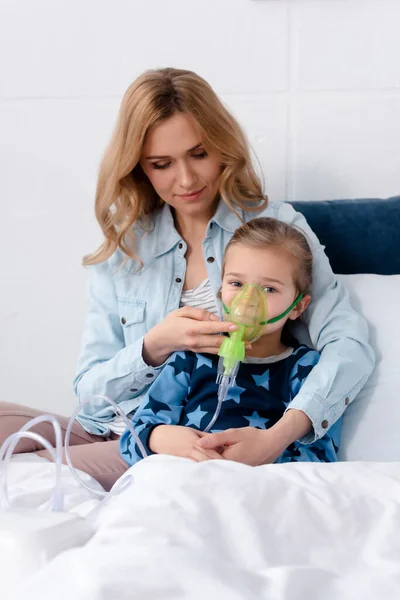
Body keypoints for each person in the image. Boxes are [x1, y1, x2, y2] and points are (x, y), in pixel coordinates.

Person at [0, 68, 374, 491]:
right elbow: (89, 394)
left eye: (199, 154)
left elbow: (349, 345)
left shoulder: (276, 230)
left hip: (169, 444)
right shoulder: (125, 248)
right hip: (119, 425)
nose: (186, 179)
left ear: (222, 147)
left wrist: (278, 436)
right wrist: (154, 346)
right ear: (139, 167)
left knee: (25, 476)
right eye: (161, 164)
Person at [120, 217, 341, 467]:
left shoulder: (305, 370)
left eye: (269, 289)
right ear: (220, 290)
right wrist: (160, 438)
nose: (247, 301)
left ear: (298, 306)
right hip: (184, 481)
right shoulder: (190, 358)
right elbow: (131, 440)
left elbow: (322, 459)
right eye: (237, 284)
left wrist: (262, 457)